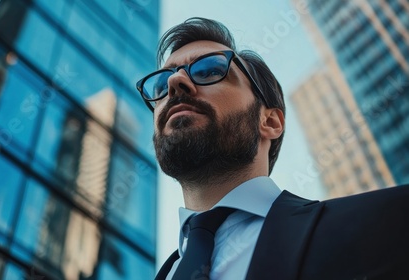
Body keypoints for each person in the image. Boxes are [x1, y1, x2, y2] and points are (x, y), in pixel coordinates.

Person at [136, 17, 409, 280]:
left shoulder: (391, 225)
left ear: (270, 122)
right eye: (161, 83)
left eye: (209, 70)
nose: (173, 83)